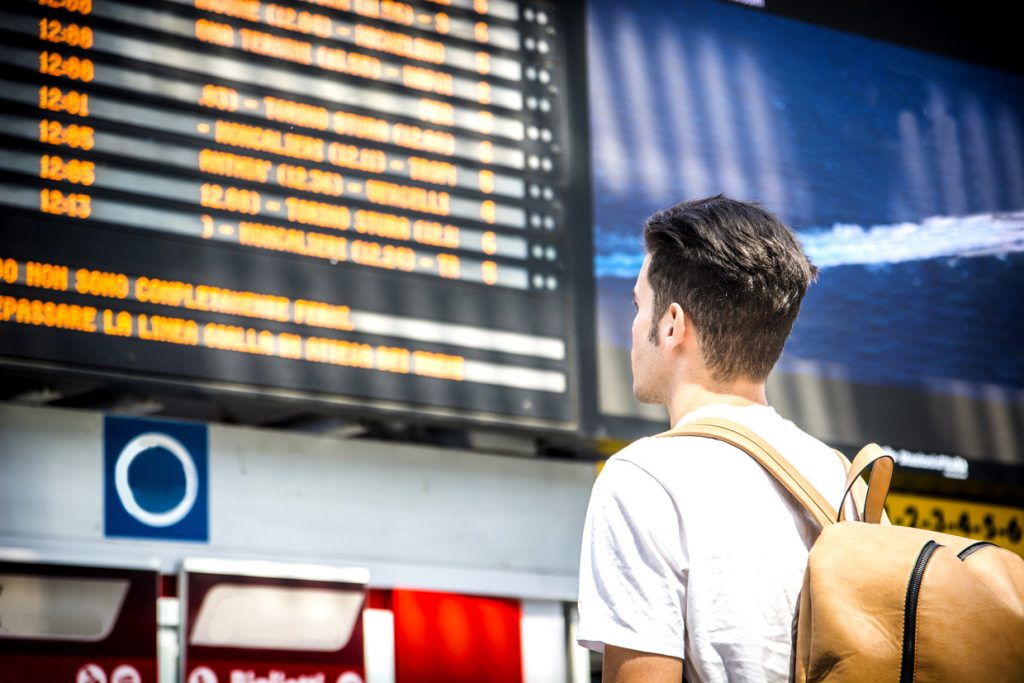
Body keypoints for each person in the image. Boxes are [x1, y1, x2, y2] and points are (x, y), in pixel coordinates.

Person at [577, 195, 854, 682]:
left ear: (673, 324)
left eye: (639, 304)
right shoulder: (845, 480)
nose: (634, 323)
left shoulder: (644, 479)